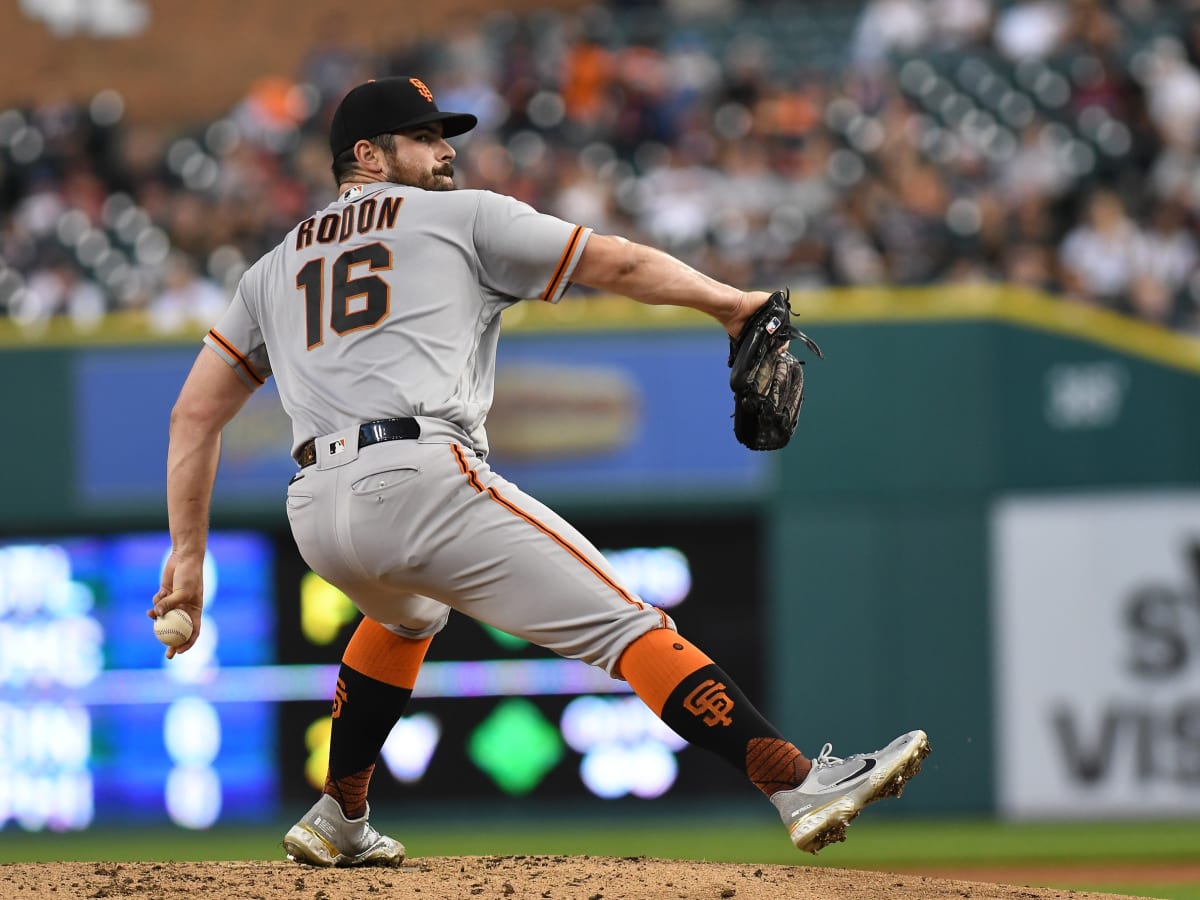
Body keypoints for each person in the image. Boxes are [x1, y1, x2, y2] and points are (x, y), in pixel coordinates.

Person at [148, 75, 930, 866]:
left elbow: (194, 416)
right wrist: (731, 304)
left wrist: (187, 560)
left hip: (315, 508)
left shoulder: (272, 269)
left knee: (404, 616)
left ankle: (338, 815)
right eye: (423, 136)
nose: (445, 149)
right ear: (367, 155)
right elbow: (616, 264)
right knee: (629, 624)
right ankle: (795, 782)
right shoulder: (462, 216)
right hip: (421, 473)